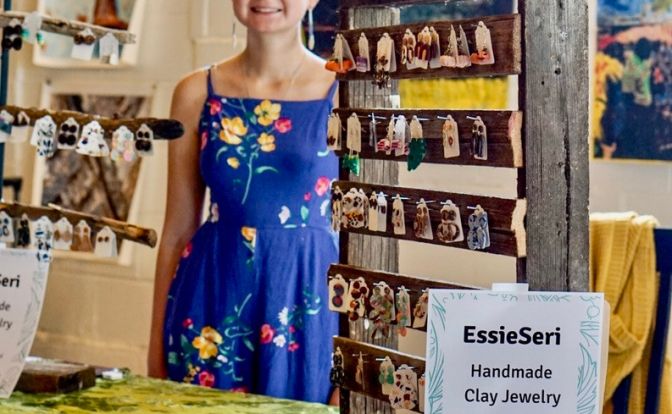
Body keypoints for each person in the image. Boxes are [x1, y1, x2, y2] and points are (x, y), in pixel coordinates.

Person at [147, 0, 339, 404]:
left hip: (308, 307)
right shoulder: (194, 93)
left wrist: (359, 364)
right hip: (211, 304)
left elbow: (369, 245)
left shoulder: (347, 91)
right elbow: (177, 230)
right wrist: (155, 347)